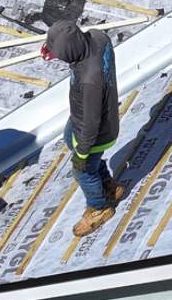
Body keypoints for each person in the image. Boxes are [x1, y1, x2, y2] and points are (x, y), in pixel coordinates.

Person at [45, 17, 121, 237]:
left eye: (61, 54)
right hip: (87, 119)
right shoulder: (98, 37)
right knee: (73, 140)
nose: (59, 58)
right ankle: (109, 186)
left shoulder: (90, 80)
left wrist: (82, 154)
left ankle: (99, 208)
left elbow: (90, 125)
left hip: (96, 133)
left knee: (83, 171)